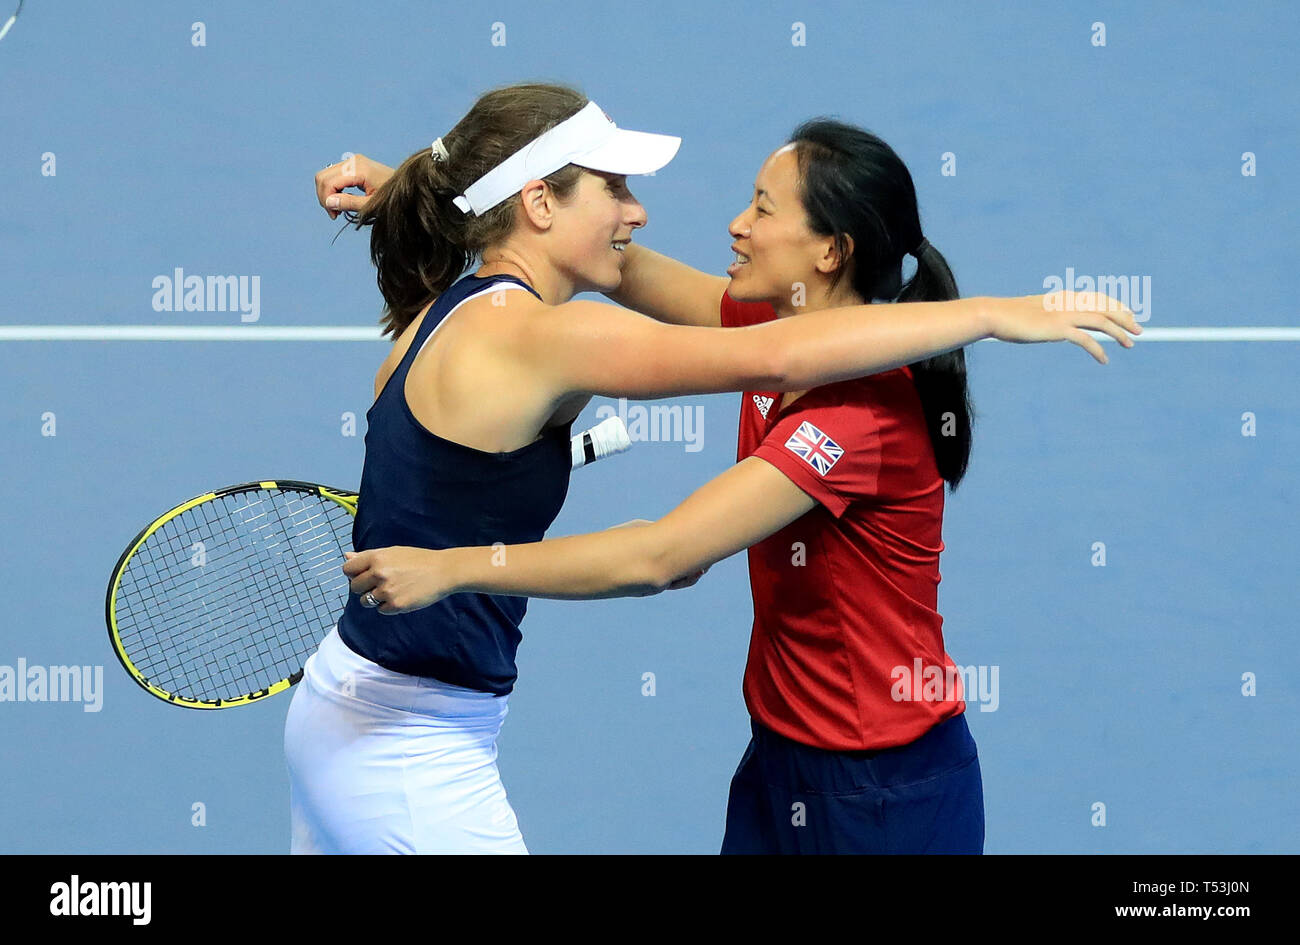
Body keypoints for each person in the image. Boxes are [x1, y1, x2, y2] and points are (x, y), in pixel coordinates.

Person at [303, 82, 1139, 854]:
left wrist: (994, 315)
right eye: (615, 189)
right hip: (778, 758)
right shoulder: (746, 326)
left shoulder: (855, 412)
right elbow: (639, 280)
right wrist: (438, 194)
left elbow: (663, 554)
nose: (732, 224)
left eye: (763, 209)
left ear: (828, 253)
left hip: (882, 786)